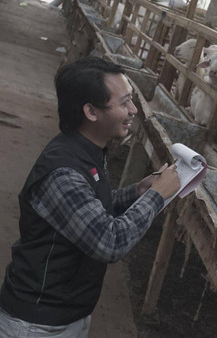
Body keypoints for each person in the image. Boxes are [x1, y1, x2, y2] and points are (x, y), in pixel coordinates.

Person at [0, 57, 181, 337]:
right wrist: (156, 197)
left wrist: (137, 193)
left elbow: (90, 207)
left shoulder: (87, 149)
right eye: (124, 103)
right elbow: (109, 242)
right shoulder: (63, 172)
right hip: (37, 324)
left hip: (66, 313)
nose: (133, 110)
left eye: (132, 100)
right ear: (91, 112)